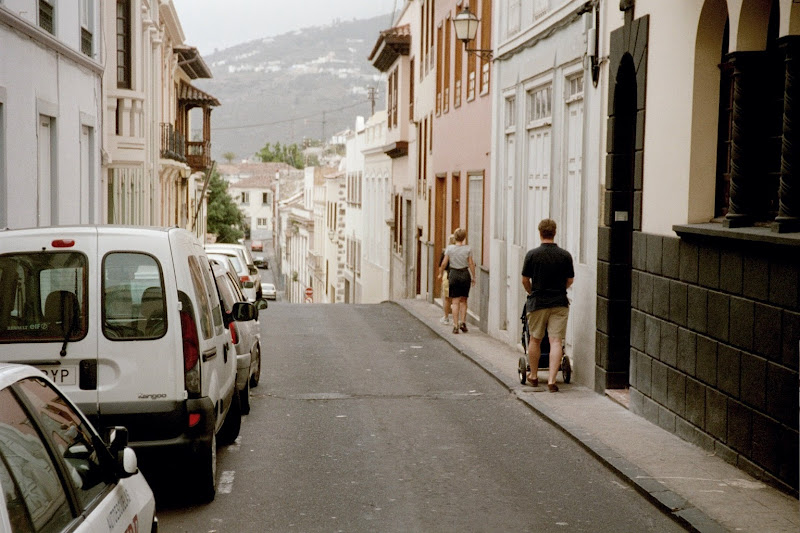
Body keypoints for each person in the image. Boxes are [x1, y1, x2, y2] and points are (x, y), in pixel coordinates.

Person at [521, 219, 574, 393]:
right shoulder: (565, 255)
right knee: (556, 341)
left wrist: (532, 292)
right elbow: (570, 280)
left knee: (535, 339)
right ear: (554, 233)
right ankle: (552, 380)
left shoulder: (532, 255)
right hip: (559, 302)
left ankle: (534, 375)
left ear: (540, 233)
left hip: (538, 302)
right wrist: (560, 289)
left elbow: (525, 280)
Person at [437, 228, 476, 334]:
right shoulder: (468, 249)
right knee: (463, 300)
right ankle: (463, 322)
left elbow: (444, 263)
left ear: (455, 237)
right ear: (464, 238)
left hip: (453, 274)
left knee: (455, 301)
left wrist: (441, 273)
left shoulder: (449, 249)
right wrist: (474, 276)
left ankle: (455, 325)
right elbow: (471, 263)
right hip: (464, 274)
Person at [439, 234, 456, 325]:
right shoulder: (460, 252)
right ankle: (456, 320)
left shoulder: (445, 252)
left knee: (447, 298)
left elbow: (442, 265)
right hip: (458, 275)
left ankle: (446, 317)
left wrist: (440, 274)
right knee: (457, 299)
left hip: (448, 275)